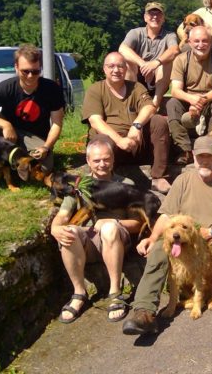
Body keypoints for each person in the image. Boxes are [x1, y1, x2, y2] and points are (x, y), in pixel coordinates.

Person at [121, 135, 212, 338]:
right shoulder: (183, 181)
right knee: (157, 248)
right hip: (184, 238)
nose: (205, 161)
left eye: (209, 156)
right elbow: (166, 216)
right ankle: (144, 311)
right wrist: (151, 237)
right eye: (200, 157)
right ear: (193, 156)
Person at [50, 137, 145, 323]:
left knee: (109, 228)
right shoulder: (79, 186)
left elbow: (137, 224)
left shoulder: (126, 184)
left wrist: (113, 221)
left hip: (116, 240)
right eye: (96, 160)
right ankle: (79, 293)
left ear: (113, 159)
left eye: (106, 159)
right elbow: (63, 215)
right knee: (68, 231)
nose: (102, 164)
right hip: (89, 244)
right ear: (88, 161)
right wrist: (55, 228)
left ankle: (115, 293)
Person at [82, 52, 172, 193]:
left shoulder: (136, 87)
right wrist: (119, 140)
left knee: (158, 121)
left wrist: (136, 126)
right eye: (111, 66)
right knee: (100, 139)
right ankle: (104, 180)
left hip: (136, 142)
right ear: (104, 69)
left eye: (120, 66)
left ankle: (159, 176)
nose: (116, 70)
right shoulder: (95, 90)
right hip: (112, 146)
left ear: (126, 69)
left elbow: (149, 107)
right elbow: (95, 121)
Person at [0, 44, 65, 170]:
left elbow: (57, 123)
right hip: (9, 136)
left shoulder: (51, 88)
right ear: (16, 68)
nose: (30, 76)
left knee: (45, 168)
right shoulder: (7, 87)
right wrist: (5, 125)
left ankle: (15, 163)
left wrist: (46, 146)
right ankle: (2, 157)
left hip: (35, 138)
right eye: (25, 71)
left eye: (35, 71)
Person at [166, 25, 212, 164]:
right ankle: (184, 149)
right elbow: (175, 90)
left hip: (210, 99)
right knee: (172, 103)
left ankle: (210, 146)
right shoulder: (181, 59)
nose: (201, 45)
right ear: (189, 42)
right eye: (196, 41)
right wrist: (191, 99)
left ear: (210, 42)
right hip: (187, 100)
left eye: (205, 41)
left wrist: (201, 100)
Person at [118, 2, 180, 109]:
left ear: (163, 18)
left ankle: (155, 104)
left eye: (158, 14)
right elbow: (122, 49)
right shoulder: (135, 33)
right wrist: (143, 64)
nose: (155, 17)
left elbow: (174, 50)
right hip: (137, 77)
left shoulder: (170, 35)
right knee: (127, 62)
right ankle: (132, 101)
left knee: (167, 63)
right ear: (145, 18)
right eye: (151, 14)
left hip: (158, 81)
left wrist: (155, 63)